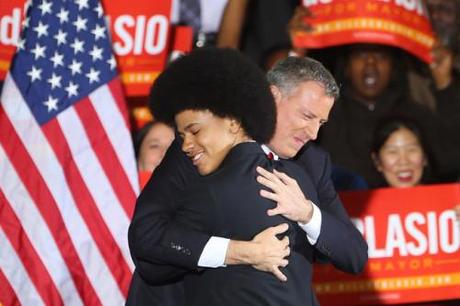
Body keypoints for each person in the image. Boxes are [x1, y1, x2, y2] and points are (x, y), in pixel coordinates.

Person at [127, 50, 368, 304]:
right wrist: (240, 252)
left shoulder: (311, 163)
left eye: (321, 122)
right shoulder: (202, 146)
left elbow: (354, 255)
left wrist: (307, 213)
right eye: (307, 116)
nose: (313, 133)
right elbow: (148, 236)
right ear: (273, 96)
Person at [370, 116, 438, 188]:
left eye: (411, 150)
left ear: (425, 157)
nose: (403, 162)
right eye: (392, 152)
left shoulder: (446, 197)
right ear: (377, 161)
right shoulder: (366, 198)